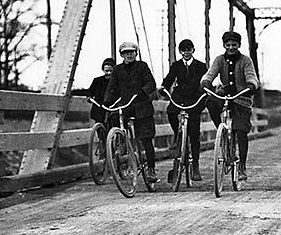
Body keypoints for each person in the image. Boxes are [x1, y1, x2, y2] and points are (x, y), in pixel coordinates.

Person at [200, 31, 259, 187]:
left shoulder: (245, 60)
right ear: (224, 46)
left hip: (242, 96)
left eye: (234, 45)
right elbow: (210, 73)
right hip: (225, 93)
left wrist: (251, 84)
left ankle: (242, 167)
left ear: (239, 45)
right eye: (228, 45)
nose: (231, 48)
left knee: (241, 131)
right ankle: (222, 130)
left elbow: (251, 75)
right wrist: (206, 82)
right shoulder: (220, 60)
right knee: (211, 102)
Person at [103, 41, 159, 183]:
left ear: (136, 53)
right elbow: (112, 87)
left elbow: (151, 83)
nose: (129, 55)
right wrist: (107, 100)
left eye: (131, 52)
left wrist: (142, 92)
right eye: (126, 53)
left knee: (146, 137)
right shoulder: (117, 69)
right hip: (126, 104)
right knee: (114, 116)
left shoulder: (142, 66)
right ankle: (120, 143)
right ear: (122, 55)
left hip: (141, 104)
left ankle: (151, 169)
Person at [159, 39, 209, 182]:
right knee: (171, 111)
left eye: (188, 49)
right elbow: (169, 79)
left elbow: (206, 80)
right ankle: (177, 133)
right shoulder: (176, 65)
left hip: (194, 99)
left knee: (194, 134)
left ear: (193, 50)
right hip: (179, 96)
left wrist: (206, 91)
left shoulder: (200, 66)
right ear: (180, 51)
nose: (186, 52)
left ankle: (196, 167)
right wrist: (163, 87)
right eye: (183, 50)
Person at [87, 57, 116, 124]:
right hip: (99, 108)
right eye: (106, 71)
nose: (108, 73)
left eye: (111, 71)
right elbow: (90, 91)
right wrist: (89, 96)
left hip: (112, 108)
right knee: (99, 129)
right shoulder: (97, 81)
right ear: (103, 70)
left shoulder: (117, 81)